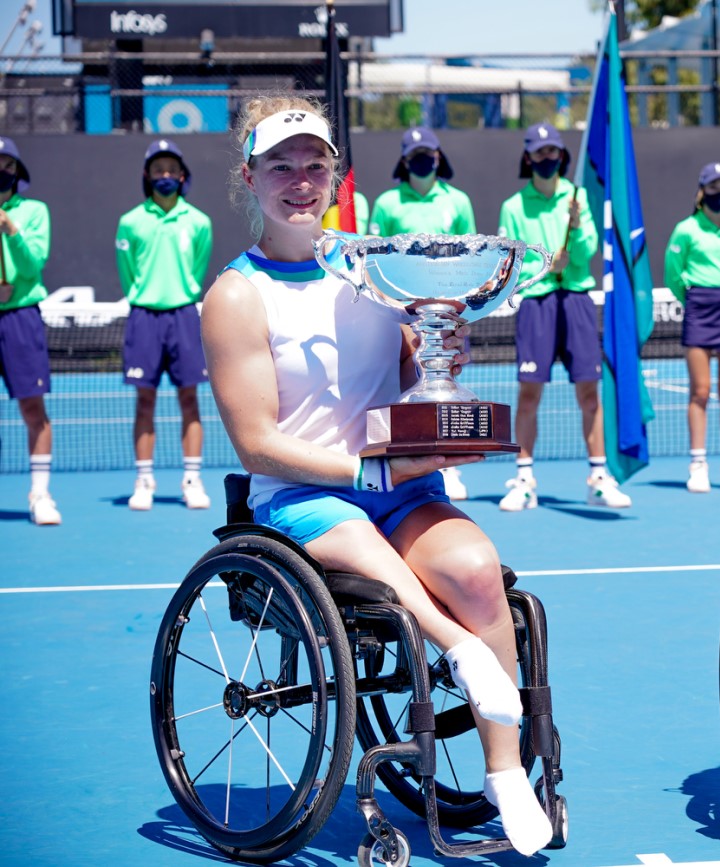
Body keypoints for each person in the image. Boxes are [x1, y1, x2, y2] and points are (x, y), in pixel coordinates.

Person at [199, 96, 553, 856]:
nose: (300, 181)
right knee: (377, 564)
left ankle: (504, 774)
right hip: (304, 497)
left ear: (336, 175)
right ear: (249, 177)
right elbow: (257, 443)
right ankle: (464, 654)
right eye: (281, 167)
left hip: (400, 488)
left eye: (314, 166)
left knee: (478, 569)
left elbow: (411, 376)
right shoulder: (235, 293)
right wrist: (361, 466)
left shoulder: (373, 271)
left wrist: (445, 352)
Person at [496, 121, 631, 512]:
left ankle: (598, 477)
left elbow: (587, 247)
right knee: (529, 393)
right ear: (528, 157)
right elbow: (510, 261)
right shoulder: (513, 206)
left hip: (576, 299)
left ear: (561, 156)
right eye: (540, 153)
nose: (547, 159)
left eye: (553, 152)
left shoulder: (576, 197)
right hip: (536, 303)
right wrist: (541, 265)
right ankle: (524, 478)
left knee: (589, 392)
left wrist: (575, 228)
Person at [369, 126, 477, 501]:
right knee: (406, 389)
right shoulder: (386, 203)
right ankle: (416, 456)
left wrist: (457, 312)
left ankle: (448, 461)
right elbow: (377, 257)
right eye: (415, 153)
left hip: (446, 312)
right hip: (402, 314)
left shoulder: (458, 201)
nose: (423, 160)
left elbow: (471, 256)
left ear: (438, 156)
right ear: (404, 159)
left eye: (428, 153)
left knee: (445, 383)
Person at [115, 139, 214, 510]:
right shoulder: (130, 222)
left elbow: (197, 268)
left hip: (184, 315)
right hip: (144, 318)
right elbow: (128, 276)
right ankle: (144, 481)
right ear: (147, 176)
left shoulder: (199, 222)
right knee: (144, 401)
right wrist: (146, 296)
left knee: (190, 399)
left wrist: (179, 294)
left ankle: (192, 480)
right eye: (158, 170)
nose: (165, 176)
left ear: (182, 175)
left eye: (171, 169)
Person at [664, 161, 720, 493]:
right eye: (713, 187)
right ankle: (698, 464)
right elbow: (673, 274)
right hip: (698, 309)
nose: (719, 193)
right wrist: (694, 300)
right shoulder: (685, 229)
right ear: (702, 193)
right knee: (700, 391)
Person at [0, 135, 60, 525]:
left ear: (17, 171)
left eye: (6, 164)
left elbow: (32, 263)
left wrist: (10, 228)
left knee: (32, 408)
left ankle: (39, 494)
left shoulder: (34, 211)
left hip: (20, 317)